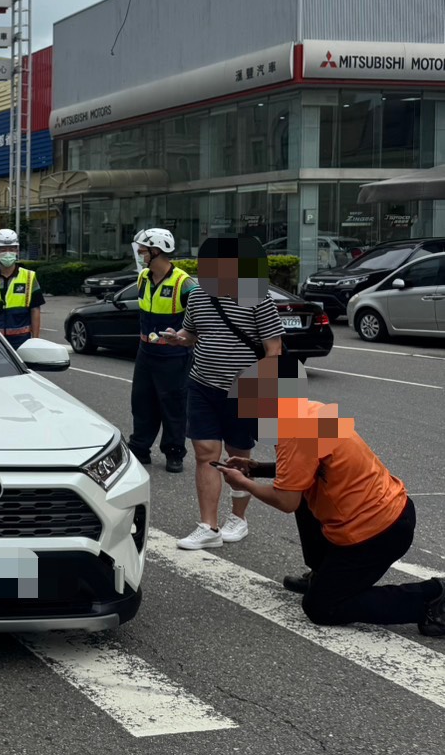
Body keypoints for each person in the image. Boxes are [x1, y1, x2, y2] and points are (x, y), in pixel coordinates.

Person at [215, 356, 444, 636]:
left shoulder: (293, 432)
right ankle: (323, 573)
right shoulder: (310, 412)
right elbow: (315, 465)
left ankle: (431, 597)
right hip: (394, 512)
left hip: (377, 533)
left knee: (322, 607)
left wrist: (243, 483)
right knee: (303, 498)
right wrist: (257, 469)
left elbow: (286, 501)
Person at [156, 235, 283, 550]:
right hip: (202, 385)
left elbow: (273, 349)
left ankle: (237, 519)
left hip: (244, 389)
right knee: (204, 454)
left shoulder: (259, 299)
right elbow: (192, 334)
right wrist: (178, 338)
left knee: (238, 458)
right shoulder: (199, 297)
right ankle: (208, 526)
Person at [127, 229, 198, 474]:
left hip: (173, 355)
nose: (140, 254)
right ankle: (140, 448)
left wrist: (182, 339)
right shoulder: (143, 278)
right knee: (142, 402)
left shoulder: (184, 283)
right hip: (146, 352)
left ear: (157, 251)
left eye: (143, 250)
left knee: (174, 405)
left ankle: (174, 452)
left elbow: (198, 321)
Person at [0, 228, 44, 349]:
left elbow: (35, 310)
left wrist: (35, 341)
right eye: (3, 249)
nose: (8, 253)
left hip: (21, 342)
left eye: (12, 249)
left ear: (17, 251)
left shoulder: (29, 277)